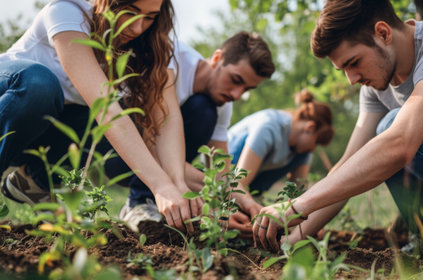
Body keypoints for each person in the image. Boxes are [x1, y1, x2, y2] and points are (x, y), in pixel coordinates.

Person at [254, 0, 423, 251]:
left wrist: (296, 206)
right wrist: (290, 241)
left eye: (353, 62)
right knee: (379, 140)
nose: (352, 79)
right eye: (344, 69)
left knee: (391, 127)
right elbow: (348, 166)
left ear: (383, 33)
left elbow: (399, 143)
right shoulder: (376, 85)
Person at [0, 0, 198, 233]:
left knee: (122, 123)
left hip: (44, 132)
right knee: (40, 84)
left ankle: (34, 181)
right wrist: (160, 185)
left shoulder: (150, 46)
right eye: (129, 13)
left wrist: (177, 183)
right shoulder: (68, 11)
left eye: (150, 17)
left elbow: (166, 119)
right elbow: (107, 109)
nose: (137, 28)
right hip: (11, 100)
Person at [106, 32, 276, 234]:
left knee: (204, 108)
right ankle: (140, 202)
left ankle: (154, 201)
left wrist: (246, 204)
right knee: (202, 109)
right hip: (113, 147)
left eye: (247, 88)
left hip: (159, 162)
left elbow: (220, 172)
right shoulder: (170, 60)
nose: (236, 94)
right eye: (235, 79)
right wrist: (205, 199)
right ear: (217, 58)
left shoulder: (222, 103)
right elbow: (149, 148)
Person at [228, 89, 334, 195]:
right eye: (316, 142)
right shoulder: (268, 127)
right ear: (310, 127)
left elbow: (297, 194)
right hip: (226, 175)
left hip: (246, 189)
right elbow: (237, 186)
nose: (312, 149)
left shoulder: (302, 152)